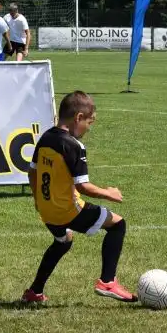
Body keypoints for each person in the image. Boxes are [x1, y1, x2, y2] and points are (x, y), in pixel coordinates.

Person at [21, 91, 137, 305]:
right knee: (118, 225)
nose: (88, 128)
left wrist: (38, 199)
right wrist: (109, 193)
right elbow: (83, 186)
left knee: (63, 242)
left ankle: (34, 292)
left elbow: (32, 171)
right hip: (69, 210)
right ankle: (107, 281)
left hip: (47, 211)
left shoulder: (46, 137)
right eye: (89, 122)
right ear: (78, 118)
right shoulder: (73, 146)